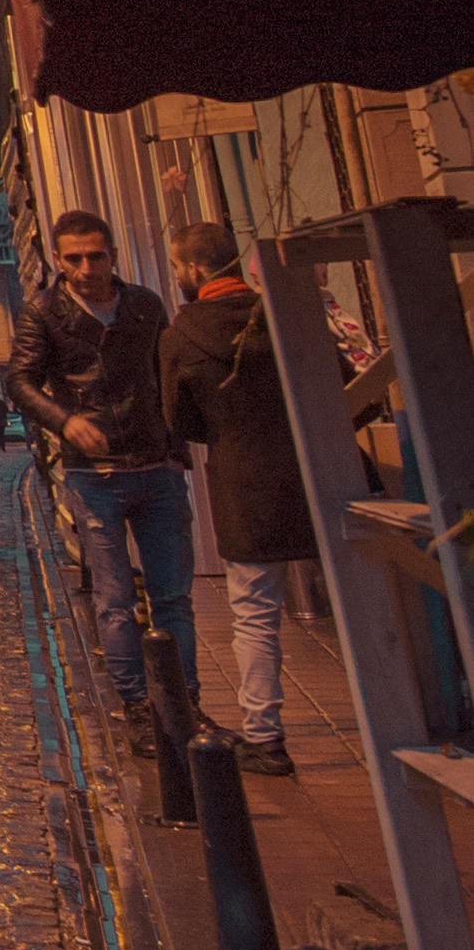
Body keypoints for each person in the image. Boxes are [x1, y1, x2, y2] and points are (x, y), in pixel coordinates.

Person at [163, 226, 382, 772]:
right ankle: (392, 723)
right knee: (364, 602)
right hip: (325, 470)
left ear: (191, 272)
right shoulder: (286, 315)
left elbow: (181, 420)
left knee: (255, 615)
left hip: (245, 482)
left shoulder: (181, 336)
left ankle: (265, 736)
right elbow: (348, 391)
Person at [12, 210, 196, 734]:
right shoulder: (44, 312)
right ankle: (138, 707)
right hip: (95, 475)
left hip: (156, 465)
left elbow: (168, 379)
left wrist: (176, 446)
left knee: (172, 598)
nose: (87, 268)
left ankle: (185, 704)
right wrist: (66, 422)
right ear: (57, 259)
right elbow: (20, 382)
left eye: (97, 256)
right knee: (115, 599)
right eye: (74, 259)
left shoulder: (144, 305)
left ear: (112, 253)